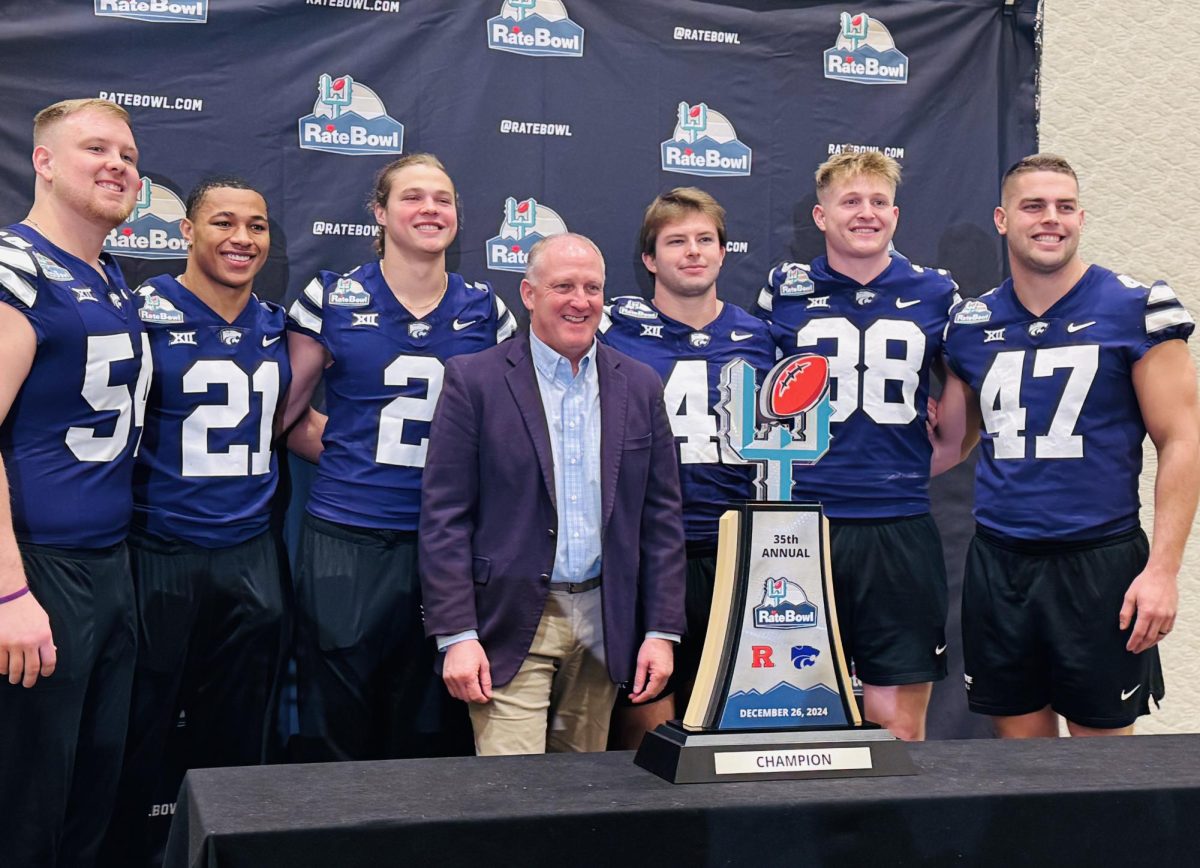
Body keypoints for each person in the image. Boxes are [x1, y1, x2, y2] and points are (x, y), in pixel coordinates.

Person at [933, 153, 1199, 737]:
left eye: (1065, 206)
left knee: (1102, 767)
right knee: (1022, 766)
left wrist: (1162, 570)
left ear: (1081, 217)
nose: (1050, 218)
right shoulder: (971, 324)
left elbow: (1183, 440)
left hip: (1098, 561)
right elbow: (950, 445)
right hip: (1001, 561)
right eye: (1034, 206)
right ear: (1003, 219)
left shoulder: (1136, 306)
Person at [283, 153, 516, 761]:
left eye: (443, 198)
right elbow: (286, 417)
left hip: (445, 542)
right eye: (412, 197)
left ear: (459, 217)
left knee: (431, 719)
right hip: (348, 535)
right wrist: (354, 461)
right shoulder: (332, 297)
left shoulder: (486, 312)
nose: (430, 209)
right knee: (338, 716)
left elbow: (511, 431)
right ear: (380, 213)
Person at [419, 233, 687, 755]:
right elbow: (444, 517)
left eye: (592, 287)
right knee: (511, 799)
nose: (579, 300)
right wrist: (456, 634)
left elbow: (660, 519)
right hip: (512, 619)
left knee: (580, 800)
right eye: (563, 285)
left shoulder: (640, 384)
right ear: (528, 293)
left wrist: (661, 629)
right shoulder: (474, 381)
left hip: (605, 623)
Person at [101, 178, 289, 867]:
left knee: (241, 735)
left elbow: (288, 423)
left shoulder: (276, 322)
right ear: (186, 231)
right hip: (159, 549)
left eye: (257, 225)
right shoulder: (139, 314)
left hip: (248, 550)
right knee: (138, 727)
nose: (242, 238)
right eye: (223, 222)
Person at [754, 151, 958, 740]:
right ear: (820, 216)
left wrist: (917, 467)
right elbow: (760, 407)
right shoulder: (785, 292)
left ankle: (890, 833)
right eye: (850, 201)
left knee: (895, 722)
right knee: (789, 709)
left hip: (898, 522)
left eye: (877, 202)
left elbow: (964, 411)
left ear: (895, 214)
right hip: (804, 524)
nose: (865, 213)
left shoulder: (936, 294)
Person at [0, 98, 151, 867]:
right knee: (27, 804)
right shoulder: (16, 269)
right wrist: (8, 592)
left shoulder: (109, 275)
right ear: (45, 161)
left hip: (108, 566)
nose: (118, 164)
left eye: (127, 152)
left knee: (90, 794)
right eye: (96, 148)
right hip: (40, 566)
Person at [598, 187, 774, 747]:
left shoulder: (763, 338)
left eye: (705, 240)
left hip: (732, 550)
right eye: (676, 241)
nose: (693, 252)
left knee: (732, 714)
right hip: (646, 548)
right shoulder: (612, 329)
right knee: (646, 717)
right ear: (649, 259)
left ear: (724, 252)